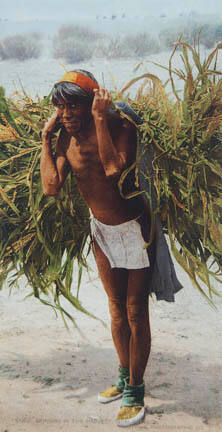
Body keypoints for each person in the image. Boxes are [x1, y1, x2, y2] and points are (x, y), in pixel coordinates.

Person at [40, 69, 182, 427]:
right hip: (101, 231)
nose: (67, 114)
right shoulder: (64, 139)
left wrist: (102, 120)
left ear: (92, 104)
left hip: (135, 229)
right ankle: (124, 377)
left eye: (73, 106)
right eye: (61, 107)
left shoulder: (120, 125)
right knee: (116, 310)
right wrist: (45, 138)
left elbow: (113, 169)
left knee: (136, 312)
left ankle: (136, 390)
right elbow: (52, 186)